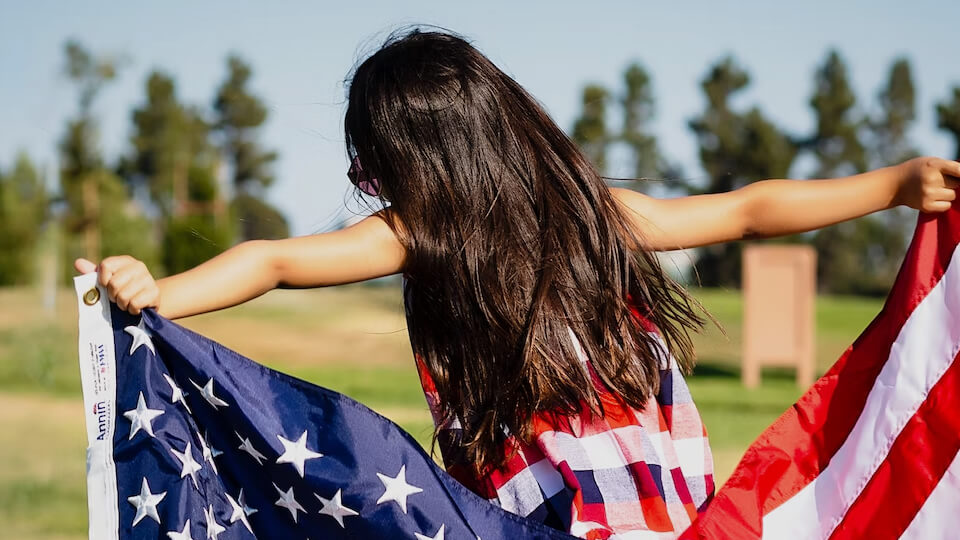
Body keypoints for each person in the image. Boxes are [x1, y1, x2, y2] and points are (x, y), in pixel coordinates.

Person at [74, 29, 960, 539]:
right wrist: (161, 292)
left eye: (373, 164)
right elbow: (272, 261)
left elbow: (748, 209)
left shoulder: (553, 221)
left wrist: (894, 185)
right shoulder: (543, 222)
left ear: (424, 156)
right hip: (630, 515)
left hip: (602, 515)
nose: (365, 182)